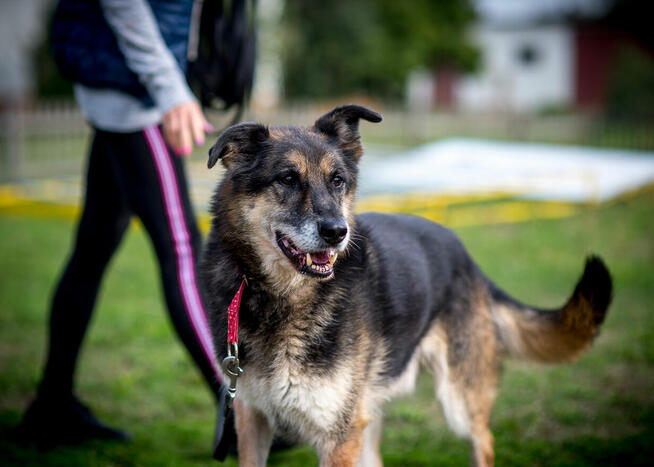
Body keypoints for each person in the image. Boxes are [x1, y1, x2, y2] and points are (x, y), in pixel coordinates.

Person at [18, 0, 230, 450]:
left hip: (128, 90)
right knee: (182, 249)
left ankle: (52, 405)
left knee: (92, 250)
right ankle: (237, 402)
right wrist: (171, 89)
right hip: (138, 98)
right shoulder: (149, 92)